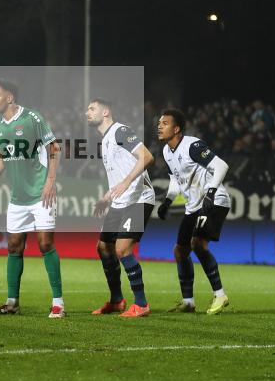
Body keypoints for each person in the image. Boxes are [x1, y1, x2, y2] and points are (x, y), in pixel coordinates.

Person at [0, 79, 64, 318]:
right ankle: (12, 303)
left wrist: (50, 183)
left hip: (41, 193)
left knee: (45, 244)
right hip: (18, 198)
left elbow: (54, 149)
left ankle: (58, 304)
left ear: (10, 98)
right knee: (13, 247)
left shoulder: (32, 118)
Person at [156, 108, 231, 315]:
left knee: (197, 244)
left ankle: (220, 294)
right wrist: (168, 201)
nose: (160, 126)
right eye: (159, 123)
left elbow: (221, 166)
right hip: (194, 207)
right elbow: (175, 180)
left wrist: (210, 193)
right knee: (180, 250)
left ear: (177, 128)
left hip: (214, 201)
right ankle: (188, 302)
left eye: (165, 123)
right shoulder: (166, 151)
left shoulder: (192, 145)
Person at [85, 98, 155, 318]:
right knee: (103, 247)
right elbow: (119, 174)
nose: (87, 112)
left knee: (122, 249)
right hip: (120, 200)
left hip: (139, 197)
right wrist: (107, 196)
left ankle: (142, 304)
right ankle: (116, 300)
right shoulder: (105, 140)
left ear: (106, 111)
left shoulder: (120, 131)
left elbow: (147, 156)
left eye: (92, 108)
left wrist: (126, 183)